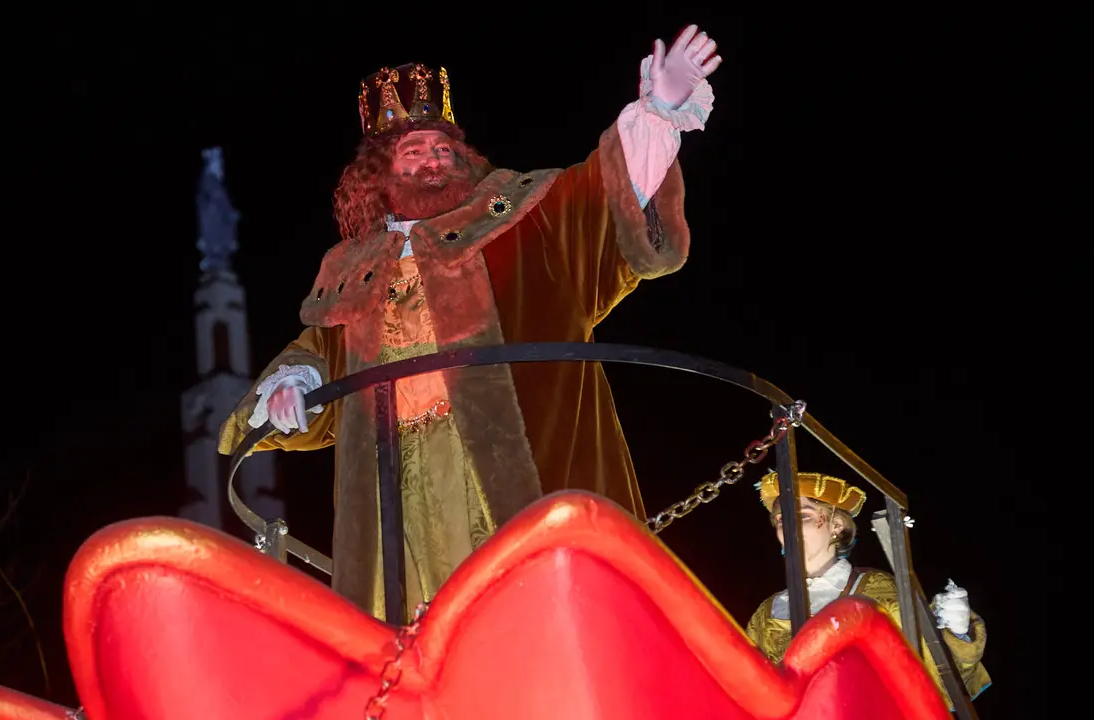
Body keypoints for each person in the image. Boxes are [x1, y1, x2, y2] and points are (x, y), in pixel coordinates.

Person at [218, 26, 721, 620]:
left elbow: (595, 201)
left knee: (520, 616)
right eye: (414, 152)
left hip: (501, 461)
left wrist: (655, 114)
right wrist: (294, 383)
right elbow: (322, 348)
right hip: (392, 483)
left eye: (442, 150)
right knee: (408, 630)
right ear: (380, 174)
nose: (432, 160)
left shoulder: (519, 219)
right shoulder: (352, 265)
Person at [745, 471, 991, 707]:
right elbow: (749, 688)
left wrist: (956, 632)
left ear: (836, 525)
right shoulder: (768, 611)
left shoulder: (874, 589)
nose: (787, 527)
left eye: (803, 516)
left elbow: (929, 673)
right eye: (781, 519)